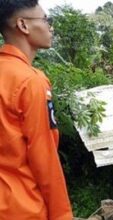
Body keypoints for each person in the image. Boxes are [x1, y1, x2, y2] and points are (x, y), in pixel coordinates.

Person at [0, 1, 73, 219]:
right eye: (45, 19)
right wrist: (62, 215)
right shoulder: (30, 82)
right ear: (23, 25)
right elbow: (44, 157)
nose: (50, 27)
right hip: (22, 209)